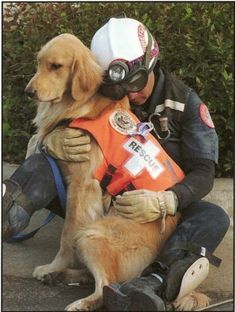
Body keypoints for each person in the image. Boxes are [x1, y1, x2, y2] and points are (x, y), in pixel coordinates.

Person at [3, 17, 229, 310]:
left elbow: (204, 172)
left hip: (159, 206)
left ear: (152, 62)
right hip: (104, 195)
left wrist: (168, 200)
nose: (129, 94)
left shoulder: (185, 103)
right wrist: (46, 143)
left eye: (135, 82)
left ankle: (153, 283)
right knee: (42, 164)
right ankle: (7, 213)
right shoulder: (96, 91)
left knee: (213, 216)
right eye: (116, 84)